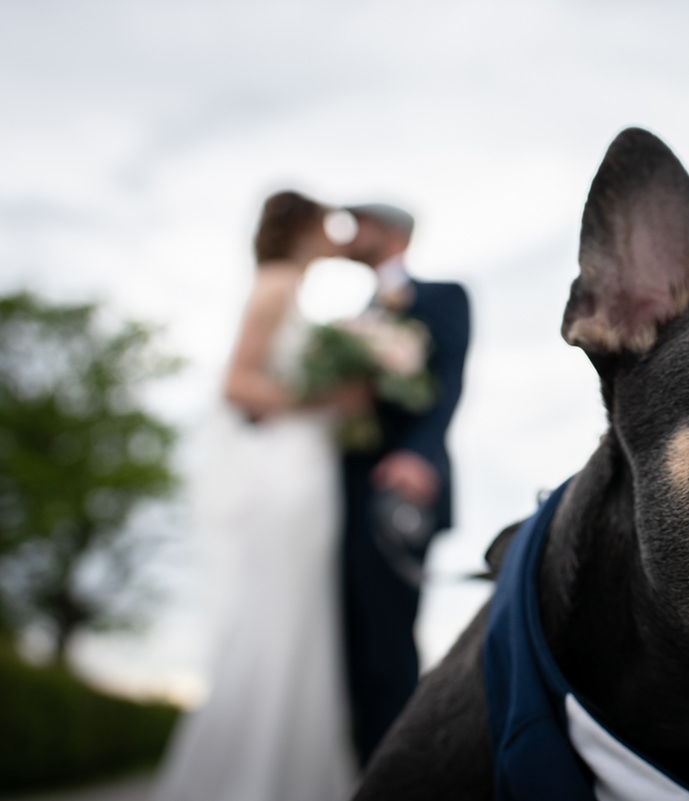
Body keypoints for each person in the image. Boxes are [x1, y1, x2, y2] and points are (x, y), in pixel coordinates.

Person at [154, 191, 362, 801]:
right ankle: (254, 779)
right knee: (276, 615)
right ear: (302, 227)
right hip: (286, 470)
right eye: (326, 223)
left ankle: (293, 775)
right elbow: (237, 383)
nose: (334, 234)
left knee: (301, 619)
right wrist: (327, 402)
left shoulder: (289, 290)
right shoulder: (274, 284)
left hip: (308, 465)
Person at [338, 203, 470, 767]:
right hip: (339, 496)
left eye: (358, 223)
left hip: (400, 492)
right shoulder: (350, 322)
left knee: (388, 645)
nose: (348, 234)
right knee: (347, 644)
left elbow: (449, 382)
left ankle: (397, 779)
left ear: (390, 233)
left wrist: (418, 456)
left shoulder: (443, 296)